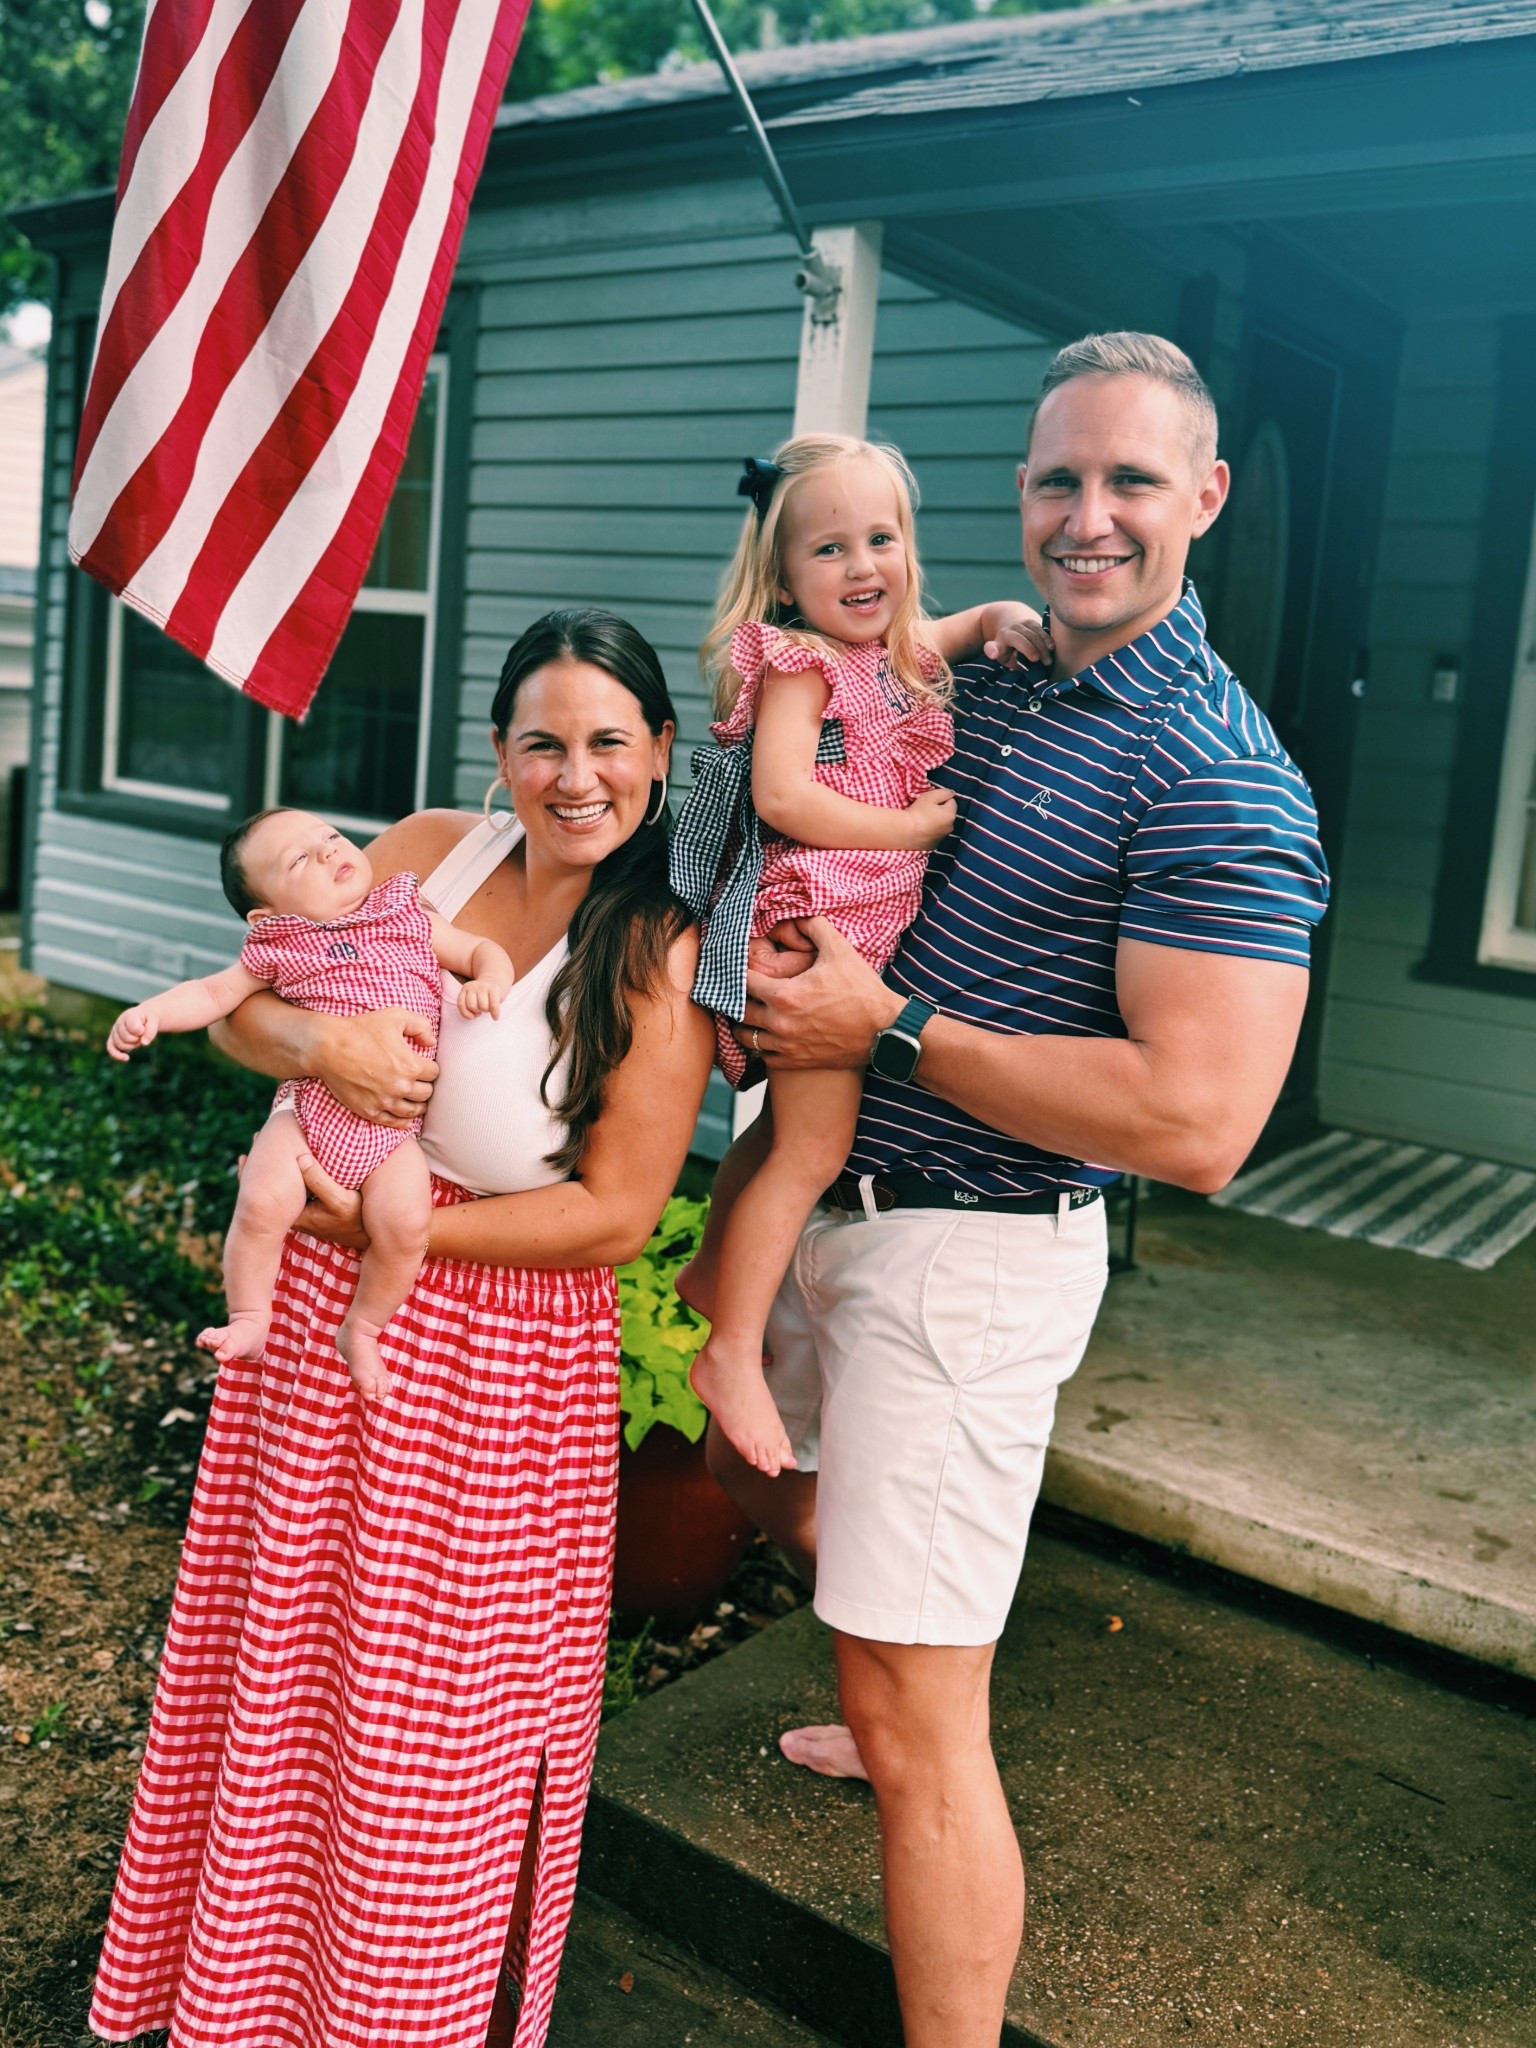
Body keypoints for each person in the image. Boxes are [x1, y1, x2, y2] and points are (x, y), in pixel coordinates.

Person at [705, 335, 1330, 2048]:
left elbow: (1197, 1120)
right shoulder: (996, 675)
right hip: (828, 1190)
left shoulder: (1220, 775)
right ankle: (889, 1654)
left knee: (926, 1722)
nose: (1088, 515)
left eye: (1133, 480)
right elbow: (830, 703)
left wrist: (884, 1021)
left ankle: (912, 1745)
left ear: (1204, 495)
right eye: (1058, 478)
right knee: (759, 1480)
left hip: (969, 1263)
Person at [87, 609, 714, 2048]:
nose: (576, 776)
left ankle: (387, 2018)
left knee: (426, 1742)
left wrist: (359, 1224)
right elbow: (253, 1002)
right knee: (285, 1674)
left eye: (610, 741)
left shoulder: (659, 953)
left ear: (660, 752)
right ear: (498, 754)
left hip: (493, 1366)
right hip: (318, 1339)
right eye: (542, 741)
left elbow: (614, 1218)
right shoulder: (431, 852)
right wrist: (323, 1047)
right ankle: (239, 2003)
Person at [670, 433, 1048, 1477]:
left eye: (880, 538)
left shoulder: (889, 655)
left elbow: (952, 627)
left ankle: (711, 1269)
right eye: (829, 548)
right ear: (785, 578)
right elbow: (785, 796)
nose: (863, 566)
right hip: (811, 926)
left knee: (783, 1130)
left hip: (842, 924)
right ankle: (732, 1351)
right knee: (813, 1152)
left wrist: (1005, 619)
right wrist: (916, 832)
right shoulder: (801, 665)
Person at [105, 809, 516, 1398]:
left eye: (329, 836)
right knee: (262, 1202)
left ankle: (365, 1328)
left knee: (406, 1225)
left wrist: (488, 981)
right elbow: (214, 994)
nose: (327, 851)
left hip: (394, 1133)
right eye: (298, 859)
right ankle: (249, 1316)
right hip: (308, 1111)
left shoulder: (404, 912)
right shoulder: (280, 947)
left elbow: (479, 950)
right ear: (267, 913)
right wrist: (151, 1014)